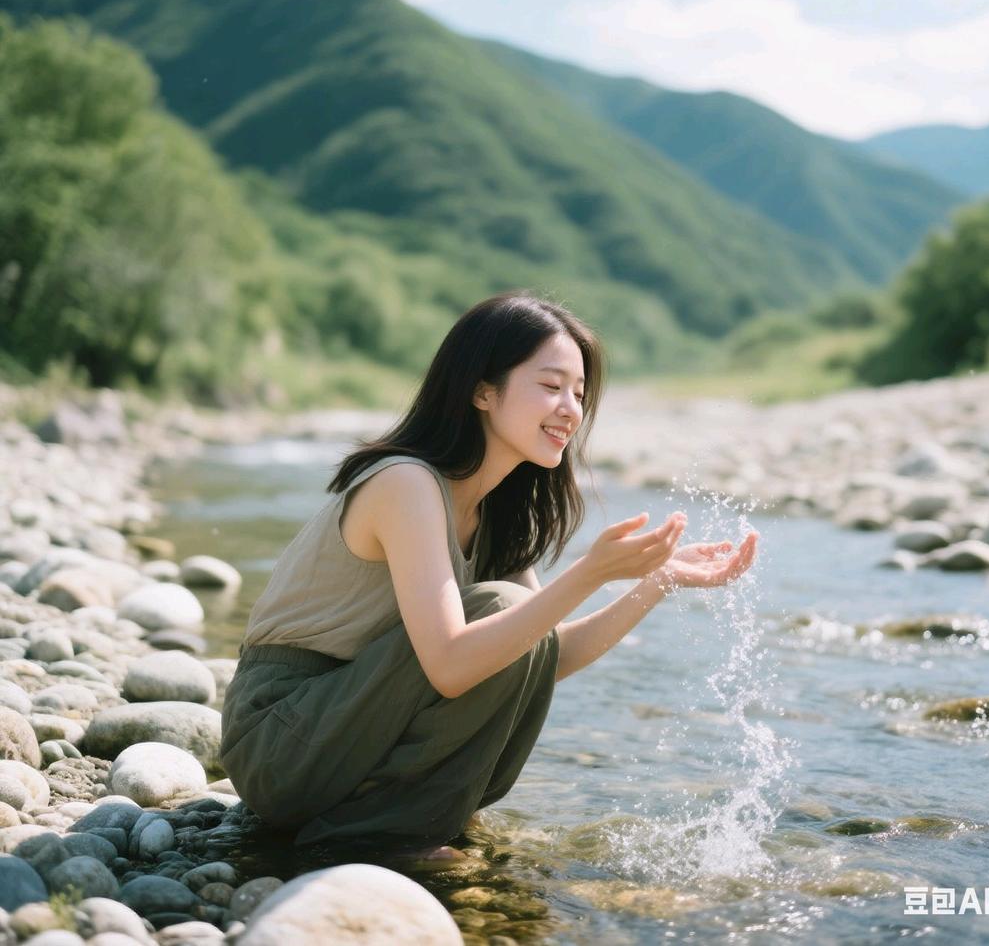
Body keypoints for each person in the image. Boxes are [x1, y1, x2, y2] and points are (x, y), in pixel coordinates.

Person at [220, 292, 758, 863]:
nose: (571, 410)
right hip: (281, 741)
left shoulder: (495, 512)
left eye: (579, 394)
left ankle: (390, 818)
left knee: (514, 619)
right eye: (551, 386)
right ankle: (379, 835)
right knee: (503, 606)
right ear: (482, 391)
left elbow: (544, 651)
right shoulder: (405, 483)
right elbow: (452, 665)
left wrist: (655, 584)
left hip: (342, 729)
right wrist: (589, 573)